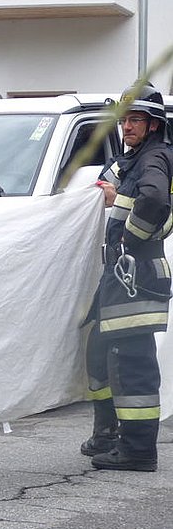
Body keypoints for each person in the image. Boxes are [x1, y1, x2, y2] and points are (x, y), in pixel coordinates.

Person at [81, 82, 173, 472]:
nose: (127, 126)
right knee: (99, 352)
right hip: (123, 276)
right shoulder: (134, 158)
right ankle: (108, 433)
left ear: (153, 124)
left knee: (132, 362)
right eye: (124, 119)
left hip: (135, 274)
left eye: (135, 119)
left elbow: (155, 202)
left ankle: (138, 450)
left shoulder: (155, 158)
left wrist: (127, 238)